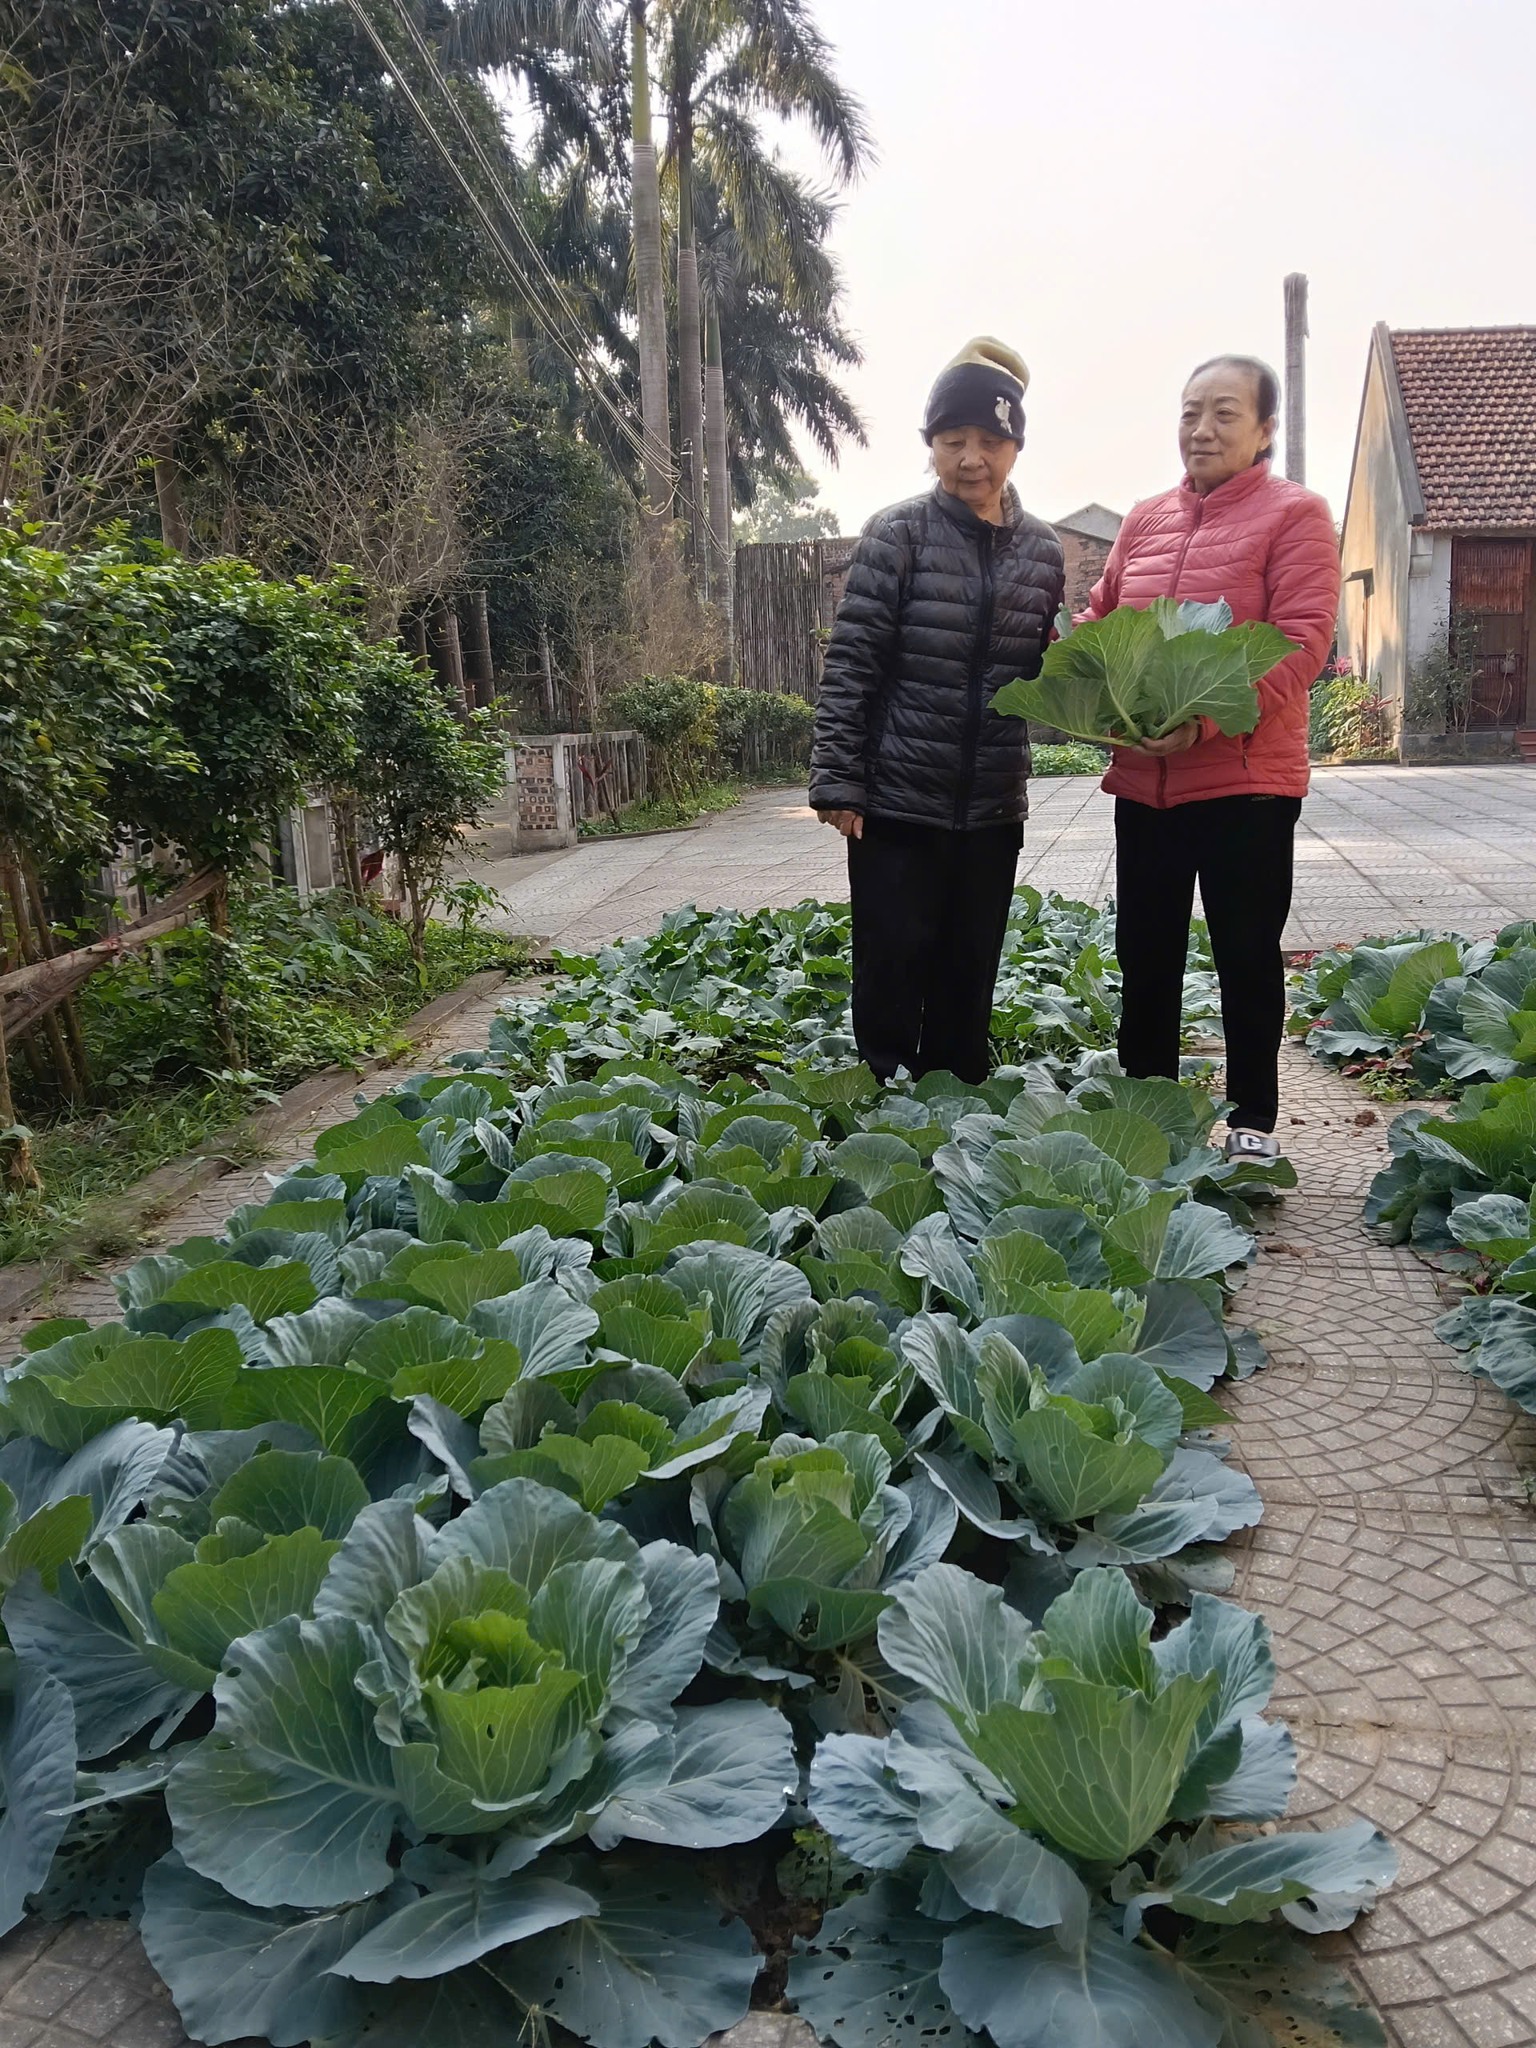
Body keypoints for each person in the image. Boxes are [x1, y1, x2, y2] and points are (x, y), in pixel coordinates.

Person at [1083, 354, 1340, 1161]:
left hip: (1244, 784)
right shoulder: (1144, 517)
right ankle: (1149, 1115)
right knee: (1145, 954)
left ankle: (1253, 1121)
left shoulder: (1295, 515)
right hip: (1147, 785)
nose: (1202, 429)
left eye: (1225, 413)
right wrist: (1095, 699)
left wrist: (1203, 724)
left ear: (1264, 430)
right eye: (1191, 411)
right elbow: (1099, 620)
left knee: (1245, 957)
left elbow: (1302, 643)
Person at [809, 338, 1064, 1084]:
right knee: (890, 958)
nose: (971, 458)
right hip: (898, 799)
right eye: (953, 441)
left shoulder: (1044, 551)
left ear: (1014, 445)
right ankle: (885, 1085)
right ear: (931, 446)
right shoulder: (898, 534)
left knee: (969, 963)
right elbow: (852, 661)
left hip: (990, 803)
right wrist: (838, 779)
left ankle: (956, 1094)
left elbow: (1052, 668)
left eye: (989, 440)